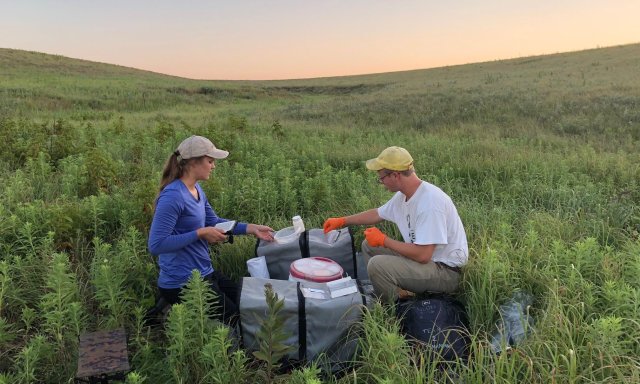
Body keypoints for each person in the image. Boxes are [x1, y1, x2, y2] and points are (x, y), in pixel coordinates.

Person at [148, 135, 274, 325]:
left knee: (245, 300)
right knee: (235, 318)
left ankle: (168, 306)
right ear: (193, 163)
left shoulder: (196, 189)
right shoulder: (173, 196)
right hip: (183, 282)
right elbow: (156, 245)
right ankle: (170, 305)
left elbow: (213, 221)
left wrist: (250, 228)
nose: (213, 166)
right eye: (210, 160)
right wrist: (199, 233)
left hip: (204, 271)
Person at [323, 146, 468, 303]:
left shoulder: (430, 203)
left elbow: (423, 255)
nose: (381, 183)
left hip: (445, 272)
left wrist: (385, 240)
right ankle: (398, 293)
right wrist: (342, 220)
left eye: (382, 178)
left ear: (395, 175)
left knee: (377, 266)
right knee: (369, 246)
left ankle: (397, 310)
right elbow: (377, 213)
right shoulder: (403, 197)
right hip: (428, 263)